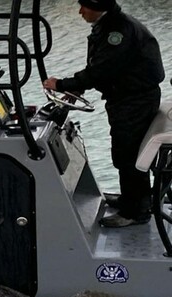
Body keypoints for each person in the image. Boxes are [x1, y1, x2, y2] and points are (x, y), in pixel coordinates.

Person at [43, 0, 165, 228]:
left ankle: (135, 212)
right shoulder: (111, 25)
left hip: (134, 101)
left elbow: (102, 69)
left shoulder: (118, 32)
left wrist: (61, 84)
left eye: (84, 7)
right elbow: (102, 66)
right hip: (128, 99)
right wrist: (77, 87)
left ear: (98, 7)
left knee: (129, 155)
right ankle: (131, 199)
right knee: (126, 153)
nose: (80, 12)